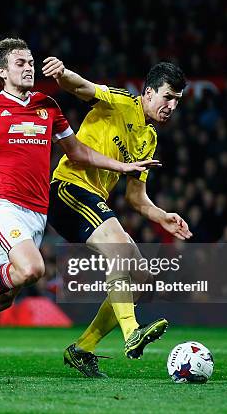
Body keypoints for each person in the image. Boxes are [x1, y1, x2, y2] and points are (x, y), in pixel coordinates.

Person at [0, 38, 157, 376]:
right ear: (2, 71)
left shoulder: (48, 106)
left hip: (36, 214)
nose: (28, 67)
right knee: (32, 270)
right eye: (20, 63)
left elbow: (77, 152)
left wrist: (122, 167)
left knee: (3, 300)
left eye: (30, 61)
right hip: (3, 205)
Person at [41, 56, 192, 377]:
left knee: (143, 281)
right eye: (168, 97)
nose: (172, 106)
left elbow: (136, 197)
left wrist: (162, 215)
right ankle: (131, 332)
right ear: (149, 92)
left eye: (177, 101)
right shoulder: (121, 102)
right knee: (121, 251)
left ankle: (83, 348)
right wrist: (63, 72)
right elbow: (81, 87)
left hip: (94, 201)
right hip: (68, 189)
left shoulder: (149, 139)